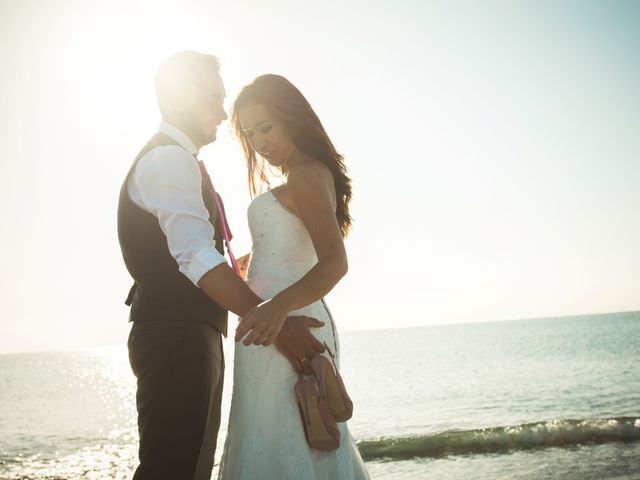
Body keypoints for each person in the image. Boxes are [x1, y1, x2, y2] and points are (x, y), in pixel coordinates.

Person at [117, 52, 326, 480]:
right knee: (171, 468)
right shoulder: (168, 160)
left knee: (190, 467)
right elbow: (194, 256)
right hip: (176, 331)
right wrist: (273, 322)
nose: (221, 111)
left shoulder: (181, 159)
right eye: (213, 98)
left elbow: (195, 251)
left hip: (192, 330)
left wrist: (244, 266)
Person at [217, 74, 370, 479]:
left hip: (290, 329)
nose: (259, 142)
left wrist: (276, 307)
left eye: (267, 127)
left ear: (293, 119)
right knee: (275, 438)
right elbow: (295, 248)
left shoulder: (305, 173)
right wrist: (255, 261)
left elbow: (335, 262)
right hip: (271, 328)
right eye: (250, 133)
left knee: (302, 439)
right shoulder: (302, 175)